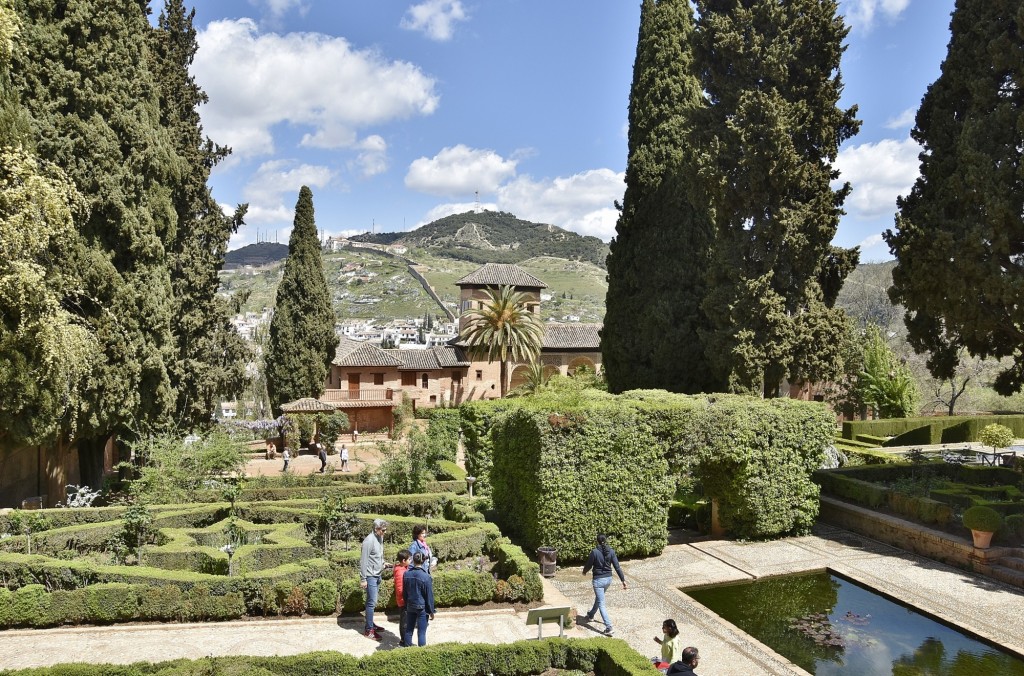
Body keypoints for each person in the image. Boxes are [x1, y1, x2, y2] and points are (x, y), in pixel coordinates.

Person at [581, 533, 627, 636]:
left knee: (601, 603)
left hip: (598, 581)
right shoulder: (611, 551)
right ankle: (591, 615)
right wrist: (623, 580)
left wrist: (584, 571)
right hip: (608, 580)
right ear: (605, 540)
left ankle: (609, 627)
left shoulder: (595, 552)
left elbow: (589, 564)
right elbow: (617, 567)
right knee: (599, 598)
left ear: (596, 541)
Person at [359, 518, 391, 640]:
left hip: (378, 574)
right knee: (371, 603)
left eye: (385, 529)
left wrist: (383, 563)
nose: (385, 532)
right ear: (376, 529)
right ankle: (368, 630)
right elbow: (363, 561)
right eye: (383, 530)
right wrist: (363, 579)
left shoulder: (380, 537)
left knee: (372, 602)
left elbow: (379, 554)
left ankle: (371, 623)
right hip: (370, 575)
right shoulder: (368, 541)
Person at [401, 552, 435, 647]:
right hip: (422, 607)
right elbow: (429, 596)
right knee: (421, 633)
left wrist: (407, 604)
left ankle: (407, 650)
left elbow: (404, 592)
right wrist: (431, 611)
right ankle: (421, 654)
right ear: (423, 561)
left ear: (413, 560)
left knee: (409, 630)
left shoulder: (406, 574)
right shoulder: (426, 576)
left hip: (410, 605)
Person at [393, 549, 411, 646]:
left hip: (405, 600)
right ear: (403, 561)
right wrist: (408, 598)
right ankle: (404, 641)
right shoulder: (400, 572)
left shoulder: (404, 569)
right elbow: (400, 589)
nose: (410, 561)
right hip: (404, 601)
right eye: (409, 559)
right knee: (404, 622)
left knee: (405, 620)